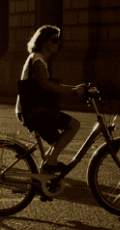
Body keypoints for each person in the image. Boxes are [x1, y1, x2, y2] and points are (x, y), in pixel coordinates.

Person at [16, 25, 85, 173]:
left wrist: (74, 87)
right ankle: (50, 163)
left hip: (35, 109)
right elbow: (45, 84)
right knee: (74, 125)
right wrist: (72, 90)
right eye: (54, 40)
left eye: (59, 40)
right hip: (34, 110)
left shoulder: (38, 59)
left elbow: (46, 85)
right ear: (43, 42)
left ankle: (45, 170)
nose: (58, 43)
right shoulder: (37, 59)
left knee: (57, 142)